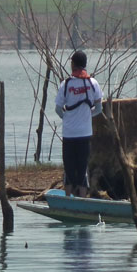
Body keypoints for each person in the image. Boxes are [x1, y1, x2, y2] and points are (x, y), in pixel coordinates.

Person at [54, 50, 103, 197]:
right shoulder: (93, 83)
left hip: (69, 133)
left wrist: (68, 119)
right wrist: (87, 116)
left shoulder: (66, 84)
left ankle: (68, 198)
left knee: (69, 168)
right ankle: (82, 199)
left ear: (73, 64)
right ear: (85, 65)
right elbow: (99, 109)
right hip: (85, 133)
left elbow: (57, 109)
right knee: (82, 169)